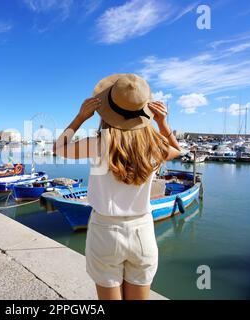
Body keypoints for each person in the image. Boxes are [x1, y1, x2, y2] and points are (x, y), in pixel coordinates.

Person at [53, 74, 181, 300]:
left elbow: (59, 148)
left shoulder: (98, 143)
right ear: (144, 110)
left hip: (105, 231)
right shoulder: (154, 145)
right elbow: (177, 150)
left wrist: (80, 117)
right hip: (142, 231)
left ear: (108, 109)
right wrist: (162, 123)